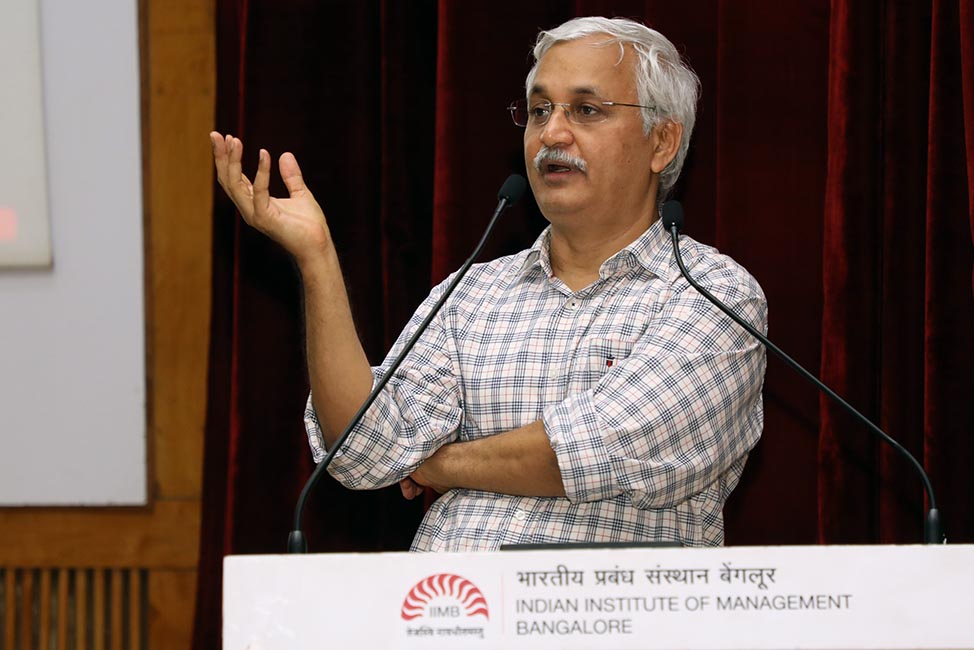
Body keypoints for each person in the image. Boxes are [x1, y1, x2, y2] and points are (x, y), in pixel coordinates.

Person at [210, 16, 766, 552]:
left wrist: (437, 463)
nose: (552, 132)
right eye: (540, 110)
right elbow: (361, 450)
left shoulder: (712, 293)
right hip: (443, 617)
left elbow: (595, 448)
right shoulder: (474, 293)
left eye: (586, 109)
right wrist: (317, 259)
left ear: (662, 142)